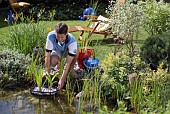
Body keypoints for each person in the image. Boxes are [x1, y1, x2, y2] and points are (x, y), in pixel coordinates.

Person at [45, 22, 79, 90]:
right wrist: (47, 71)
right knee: (53, 60)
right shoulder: (50, 36)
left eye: (62, 37)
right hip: (57, 50)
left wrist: (62, 79)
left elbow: (67, 62)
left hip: (67, 51)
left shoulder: (72, 41)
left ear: (66, 34)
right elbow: (47, 55)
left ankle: (71, 69)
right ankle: (58, 65)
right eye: (58, 37)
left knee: (76, 52)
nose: (60, 39)